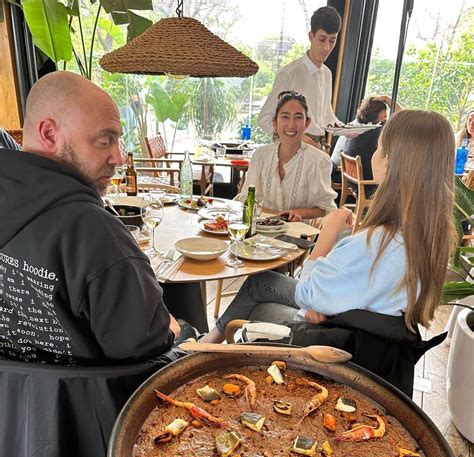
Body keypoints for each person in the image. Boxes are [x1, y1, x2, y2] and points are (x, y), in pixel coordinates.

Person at [202, 110, 456, 344]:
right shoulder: (430, 237)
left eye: (378, 148)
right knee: (261, 282)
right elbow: (359, 290)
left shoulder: (374, 244)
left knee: (260, 311)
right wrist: (327, 305)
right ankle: (206, 342)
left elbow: (306, 291)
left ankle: (207, 348)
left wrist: (328, 234)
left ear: (389, 162)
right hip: (363, 336)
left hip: (337, 346)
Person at [0, 71, 179, 364]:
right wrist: (173, 329)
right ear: (49, 134)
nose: (119, 158)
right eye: (104, 141)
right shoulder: (93, 230)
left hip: (16, 400)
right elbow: (146, 349)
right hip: (105, 402)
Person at [237, 90, 336, 221]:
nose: (291, 124)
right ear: (275, 122)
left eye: (298, 117)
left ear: (306, 123)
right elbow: (246, 198)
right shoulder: (260, 155)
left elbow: (325, 208)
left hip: (299, 235)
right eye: (285, 117)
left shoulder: (319, 161)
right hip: (261, 230)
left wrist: (300, 212)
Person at [258, 6, 343, 148]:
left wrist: (347, 129)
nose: (327, 47)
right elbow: (265, 119)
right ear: (311, 36)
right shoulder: (290, 73)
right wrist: (298, 138)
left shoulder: (327, 74)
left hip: (319, 147)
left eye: (332, 41)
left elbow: (327, 117)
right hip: (293, 148)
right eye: (322, 39)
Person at [331, 95, 401, 196]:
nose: (386, 117)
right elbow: (402, 117)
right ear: (375, 114)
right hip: (369, 188)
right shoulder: (376, 132)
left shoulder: (354, 130)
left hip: (355, 184)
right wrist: (387, 99)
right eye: (384, 115)